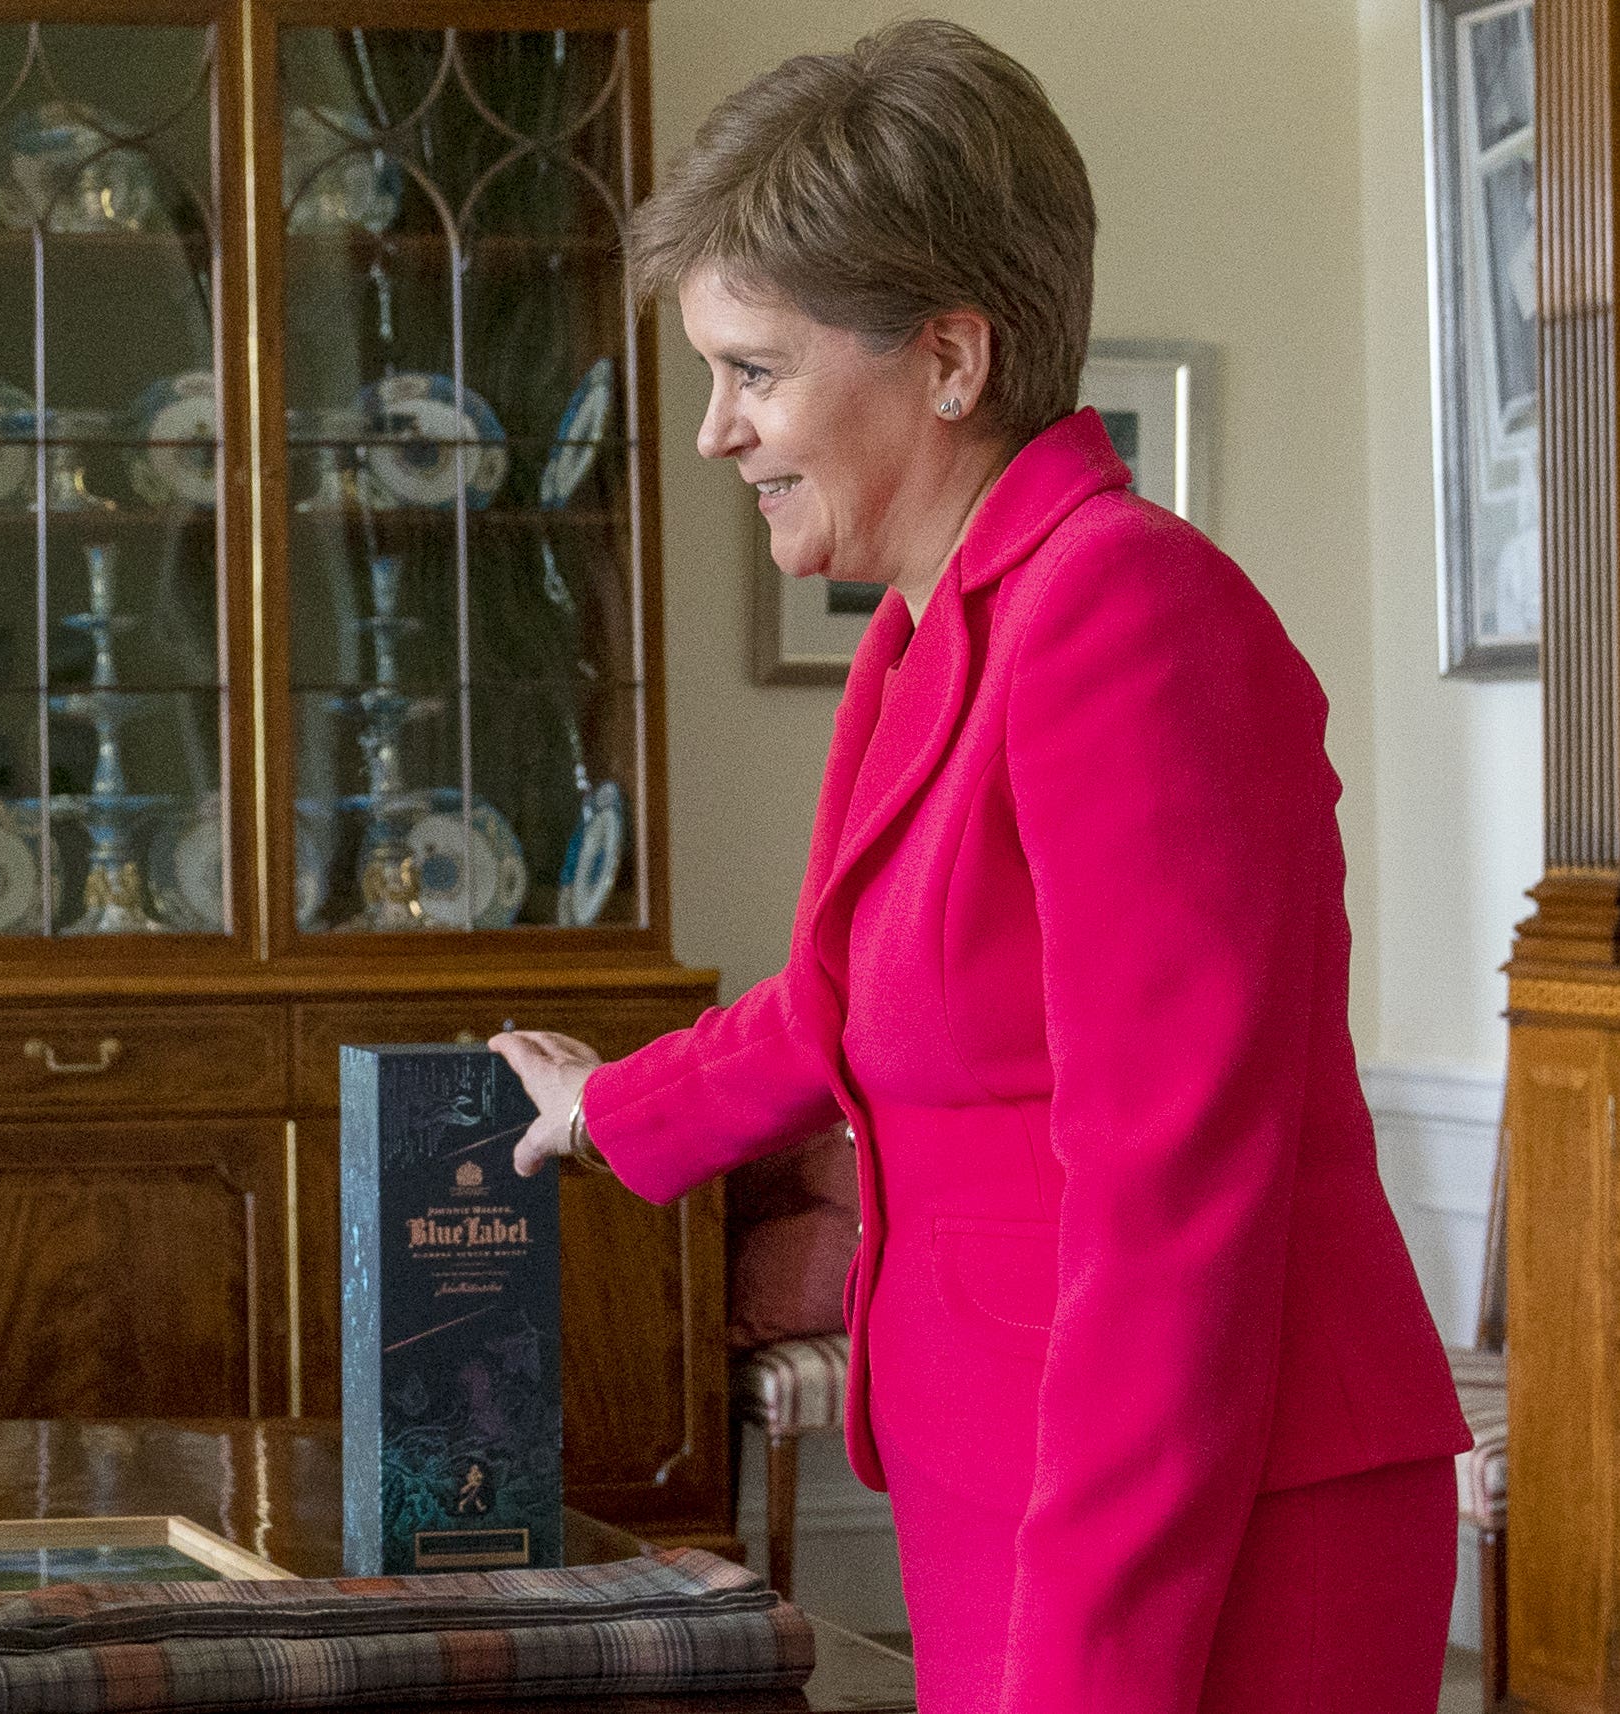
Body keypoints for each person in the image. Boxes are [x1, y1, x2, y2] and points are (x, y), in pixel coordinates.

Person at [493, 22, 1469, 1713]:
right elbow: (837, 1004)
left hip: (1204, 1515)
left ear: (950, 356)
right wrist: (607, 1110)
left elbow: (1175, 1213)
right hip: (1000, 1475)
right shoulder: (926, 633)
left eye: (755, 369)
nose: (717, 430)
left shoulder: (1131, 615)